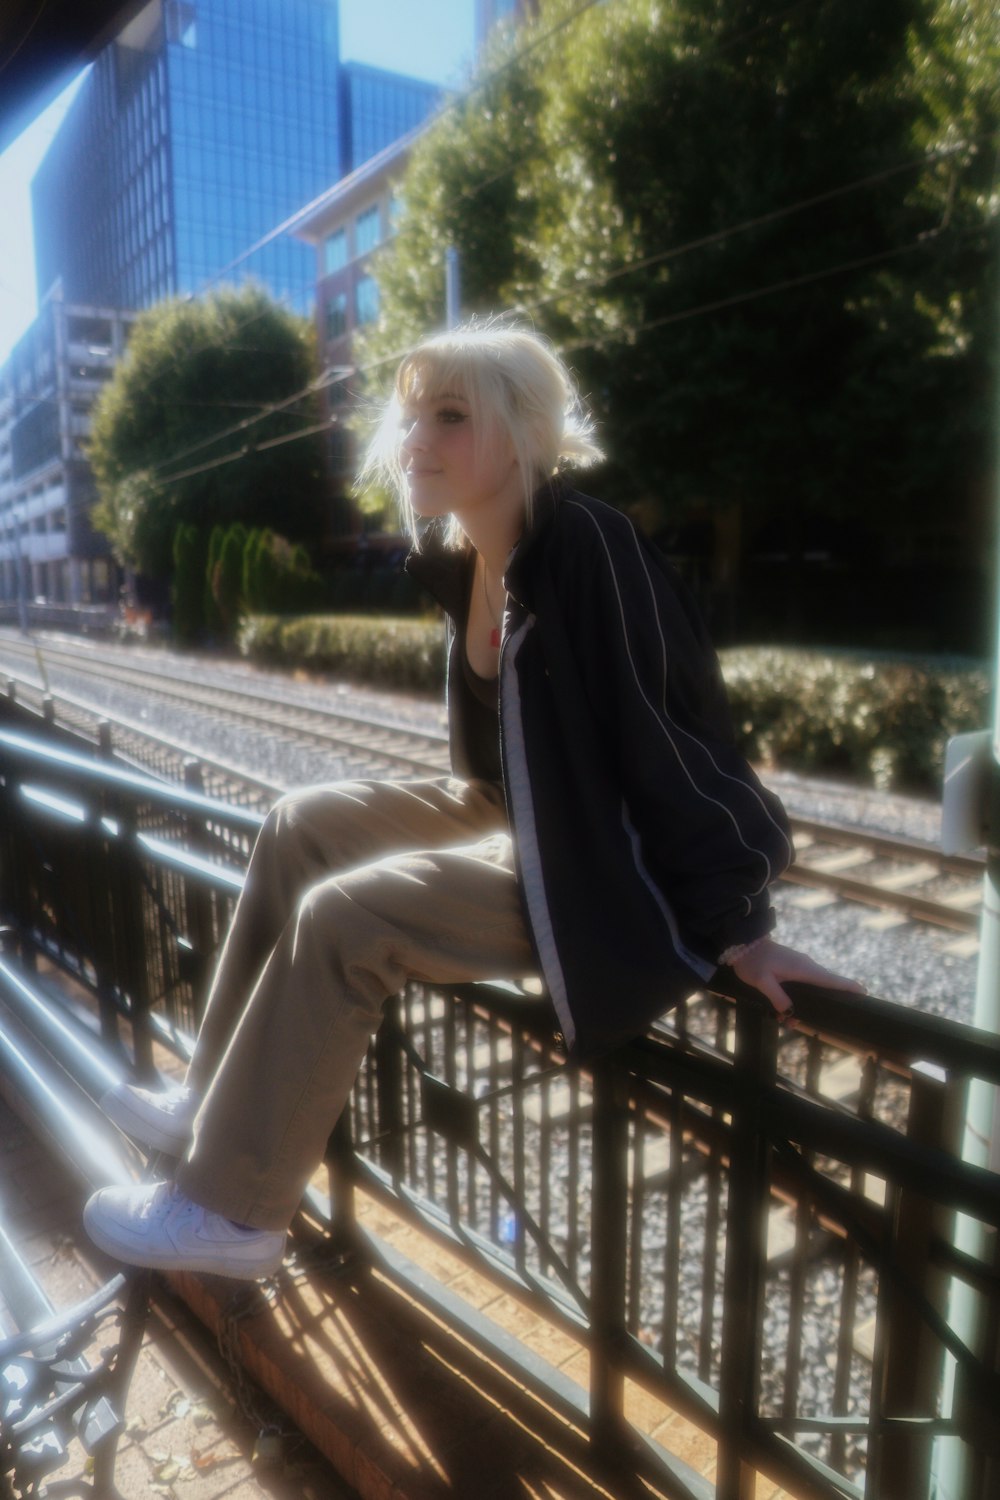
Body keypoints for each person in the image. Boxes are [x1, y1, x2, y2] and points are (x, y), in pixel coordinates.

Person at [84, 321, 862, 1280]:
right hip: (524, 812)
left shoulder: (589, 545)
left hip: (605, 863)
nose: (415, 436)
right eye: (411, 414)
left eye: (450, 416)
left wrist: (740, 925)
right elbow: (494, 758)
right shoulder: (473, 557)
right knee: (300, 824)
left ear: (527, 432)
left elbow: (675, 739)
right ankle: (210, 1100)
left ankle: (232, 1214)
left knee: (345, 917)